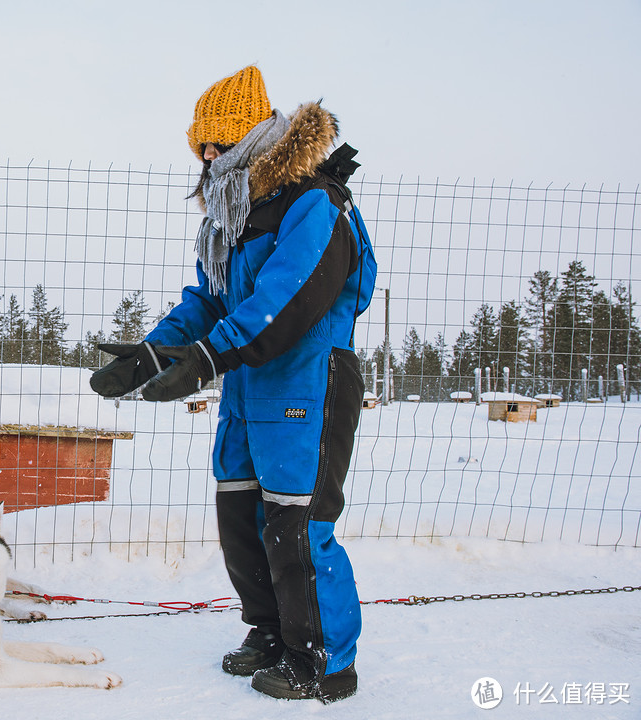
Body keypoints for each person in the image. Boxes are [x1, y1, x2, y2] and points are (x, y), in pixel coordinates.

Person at [89, 65, 376, 704]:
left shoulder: (313, 202)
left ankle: (324, 661)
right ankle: (272, 632)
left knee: (298, 521)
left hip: (308, 379)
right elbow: (210, 300)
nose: (212, 156)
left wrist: (207, 358)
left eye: (222, 142)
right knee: (242, 513)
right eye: (203, 147)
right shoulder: (233, 217)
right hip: (248, 384)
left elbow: (289, 297)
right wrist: (155, 354)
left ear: (259, 134)